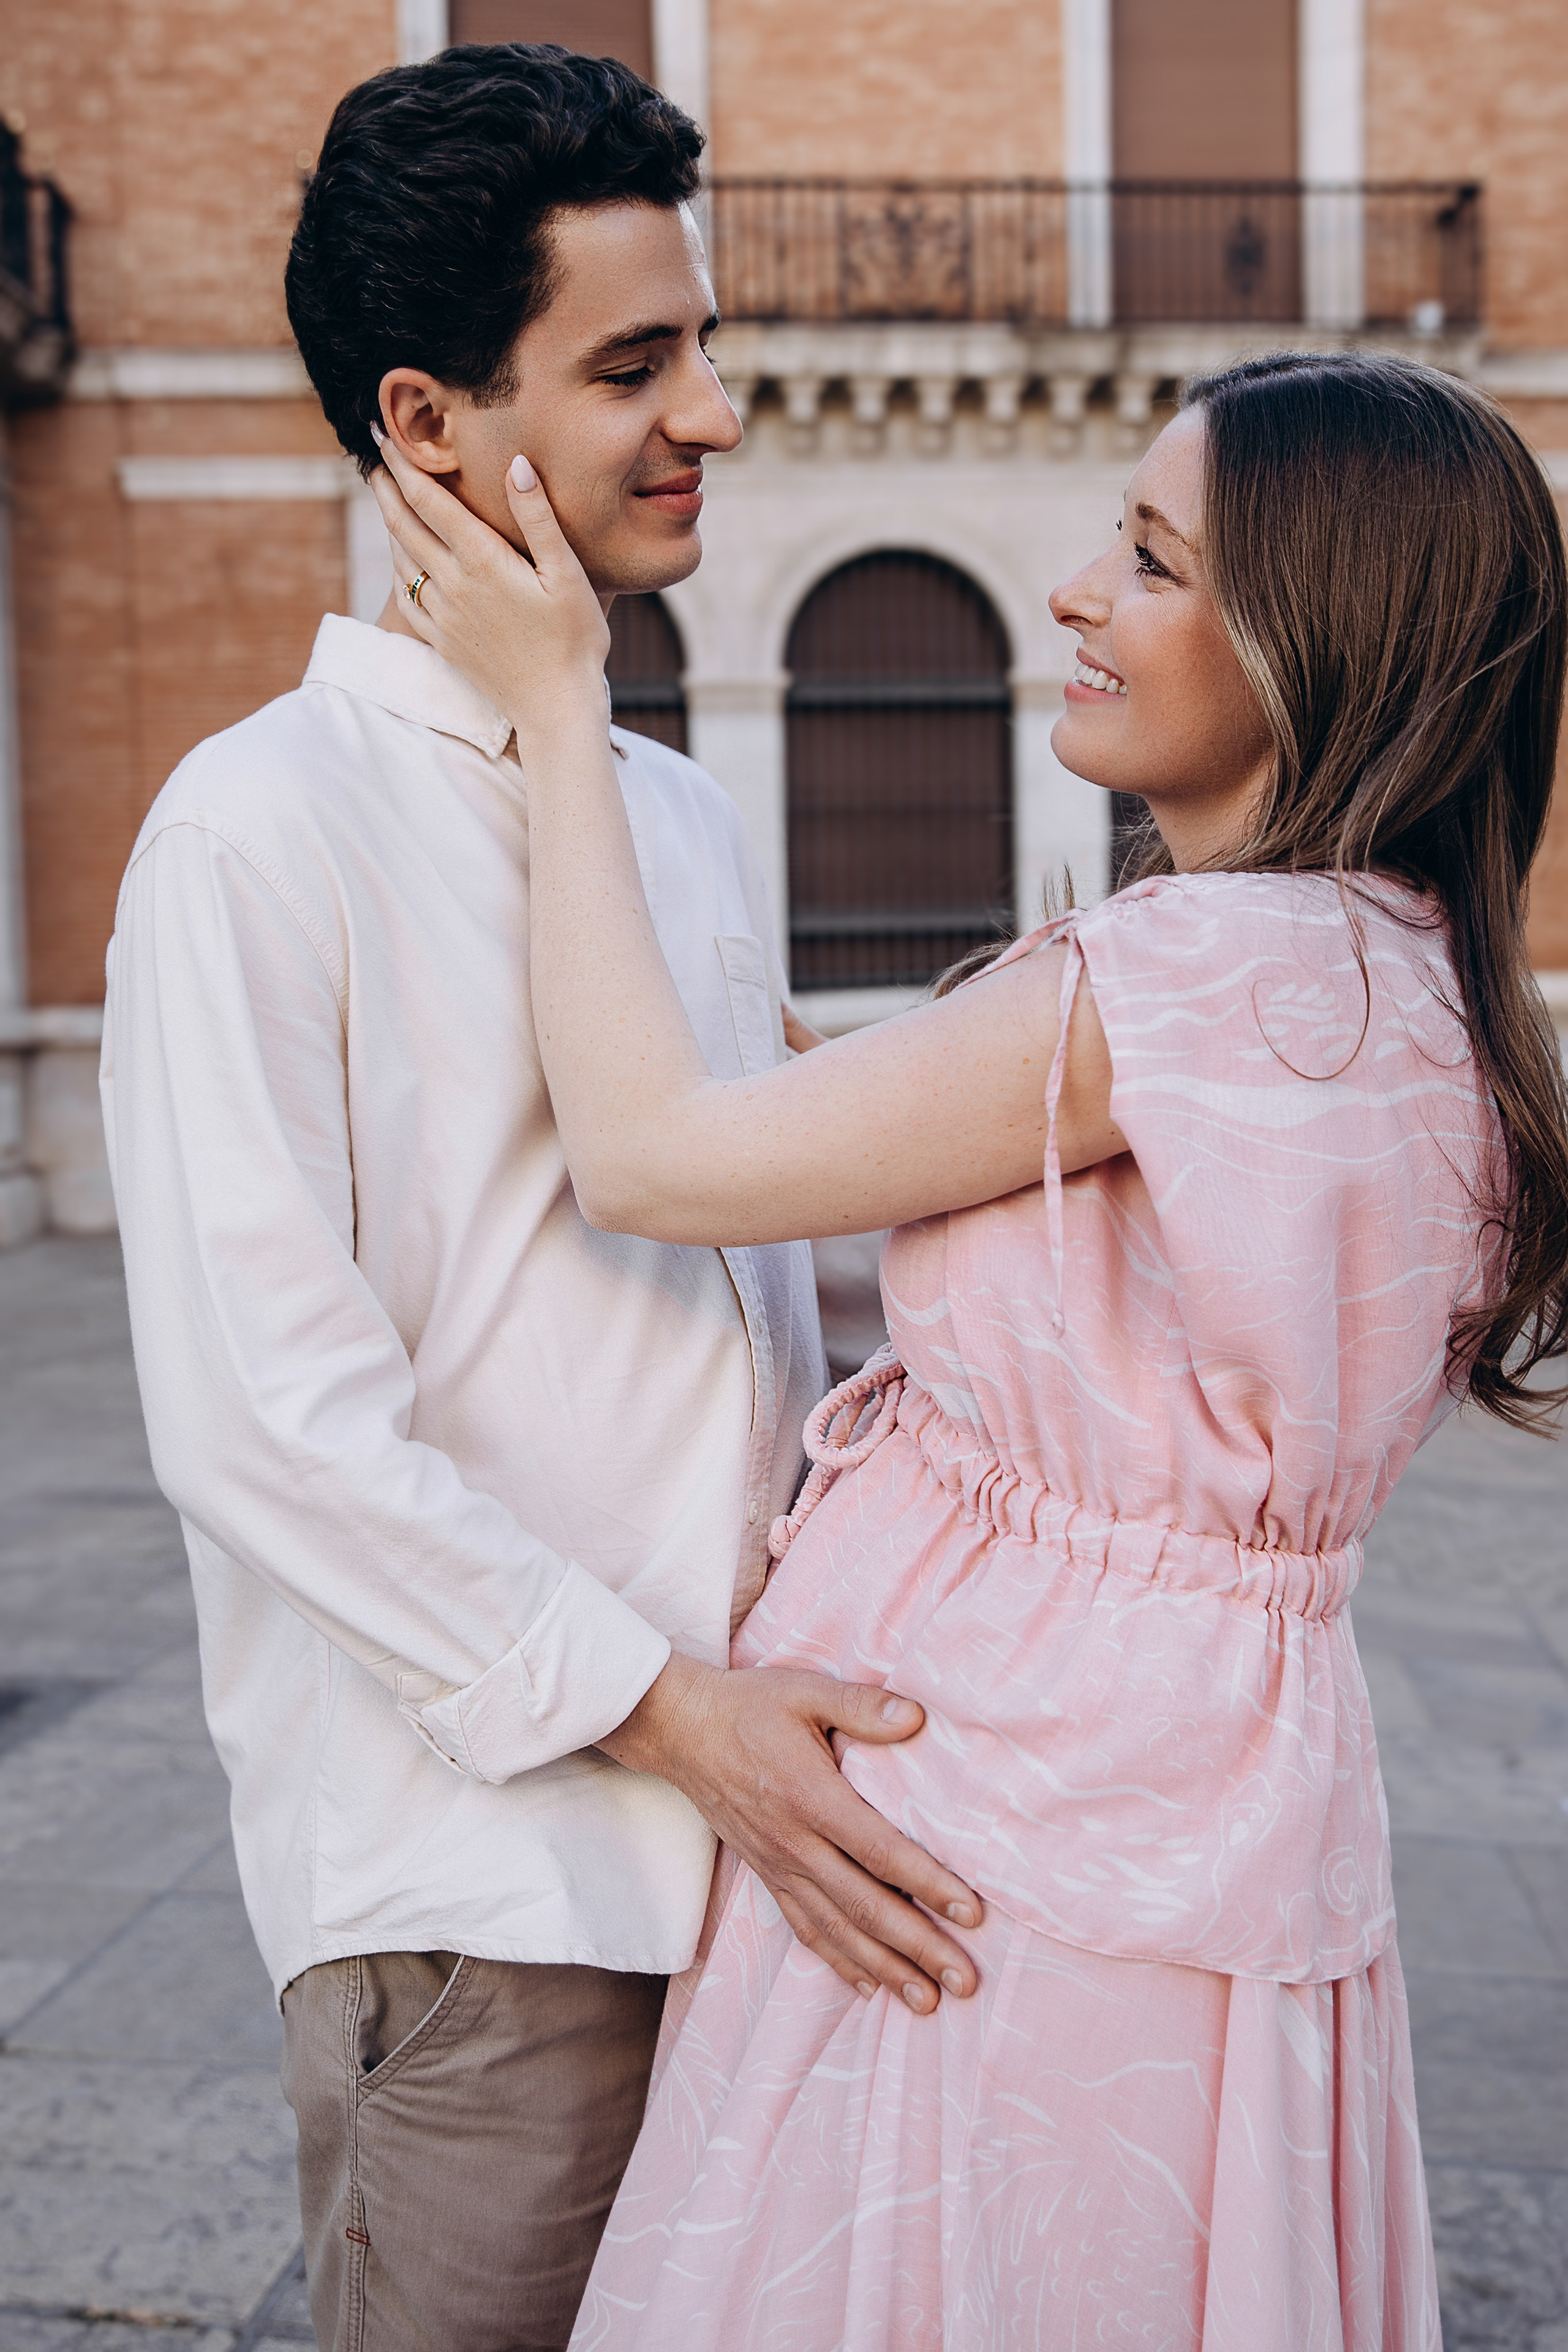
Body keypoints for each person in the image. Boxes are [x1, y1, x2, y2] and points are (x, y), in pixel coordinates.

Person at [371, 347, 1568, 2350]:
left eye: (1157, 558)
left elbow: (657, 1162)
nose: (1079, 594)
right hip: (1201, 1800)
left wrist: (565, 710)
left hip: (999, 1819)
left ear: (1316, 646)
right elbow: (1049, 1267)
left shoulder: (1188, 974)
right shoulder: (1402, 979)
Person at [100, 43, 987, 2352]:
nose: (714, 407)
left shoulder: (673, 816)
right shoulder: (249, 825)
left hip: (764, 1872)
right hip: (484, 1906)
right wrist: (673, 1712)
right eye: (632, 364)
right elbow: (264, 1424)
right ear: (425, 426)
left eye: (699, 340)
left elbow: (746, 1296)